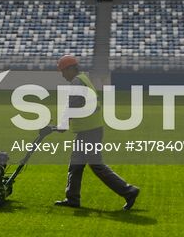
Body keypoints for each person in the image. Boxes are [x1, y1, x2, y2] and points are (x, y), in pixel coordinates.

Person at [54, 54, 140, 210]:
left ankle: (129, 190)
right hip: (89, 129)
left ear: (70, 69)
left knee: (96, 165)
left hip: (89, 130)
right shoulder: (83, 79)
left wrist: (64, 123)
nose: (62, 74)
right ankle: (72, 198)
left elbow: (74, 104)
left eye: (63, 71)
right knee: (76, 165)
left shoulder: (77, 81)